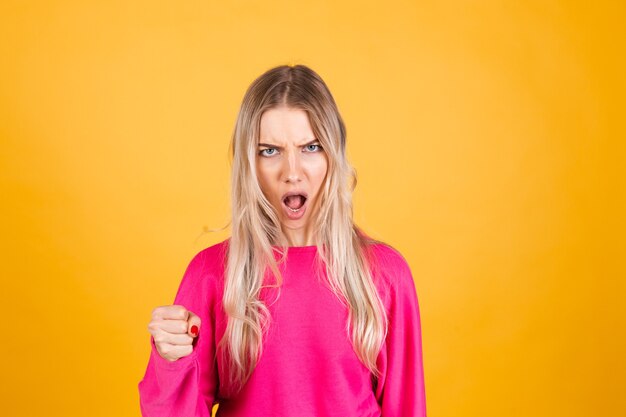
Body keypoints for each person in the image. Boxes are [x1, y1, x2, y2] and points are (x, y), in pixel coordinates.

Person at [137, 64, 427, 416]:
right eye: (269, 151)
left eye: (311, 147)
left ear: (333, 156)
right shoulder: (211, 274)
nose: (292, 172)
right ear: (249, 163)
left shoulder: (385, 275)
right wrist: (171, 361)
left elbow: (407, 408)